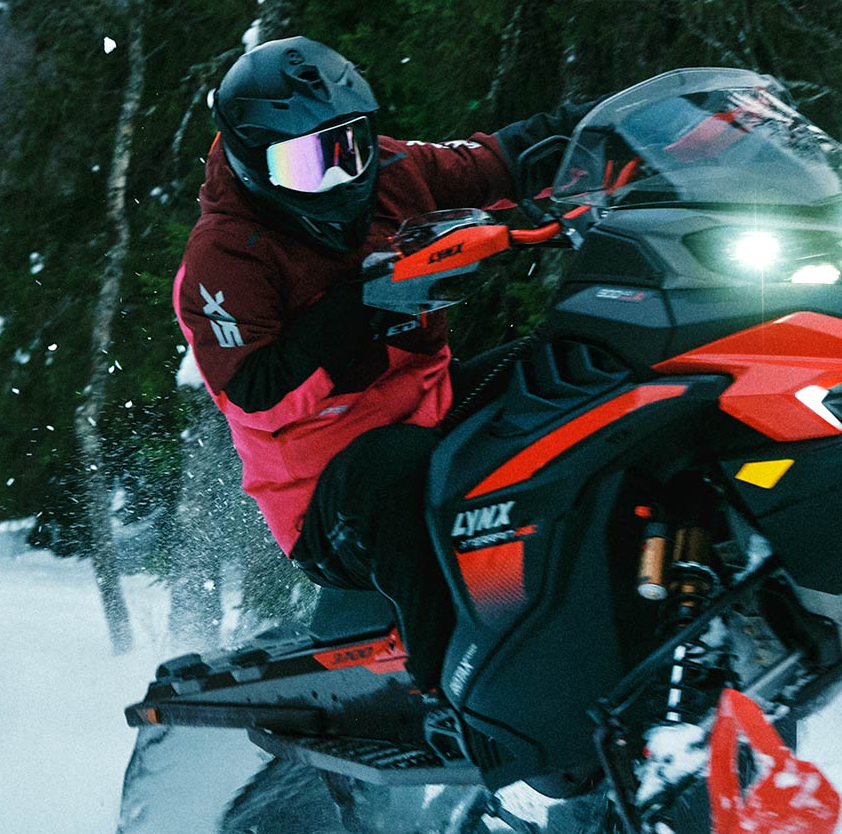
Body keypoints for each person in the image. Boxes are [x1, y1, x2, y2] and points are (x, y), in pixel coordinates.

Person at [171, 37, 578, 710]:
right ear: (251, 160)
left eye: (348, 146)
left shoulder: (392, 171)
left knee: (557, 368)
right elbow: (256, 391)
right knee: (400, 471)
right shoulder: (224, 255)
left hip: (431, 415)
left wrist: (611, 127)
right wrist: (361, 303)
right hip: (326, 495)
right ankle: (450, 688)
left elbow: (496, 161)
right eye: (307, 163)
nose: (339, 174)